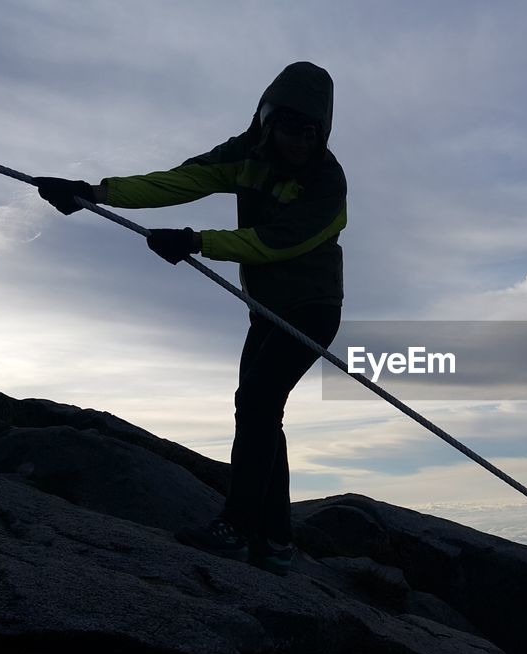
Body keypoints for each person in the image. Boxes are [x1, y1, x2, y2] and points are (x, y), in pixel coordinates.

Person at [34, 61, 346, 576]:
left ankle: (240, 526)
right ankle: (275, 538)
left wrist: (197, 242)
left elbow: (274, 244)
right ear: (267, 121)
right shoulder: (244, 156)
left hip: (313, 309)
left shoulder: (328, 185)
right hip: (266, 309)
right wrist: (96, 192)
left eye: (312, 131)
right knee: (262, 410)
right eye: (291, 128)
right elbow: (180, 182)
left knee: (258, 402)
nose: (301, 142)